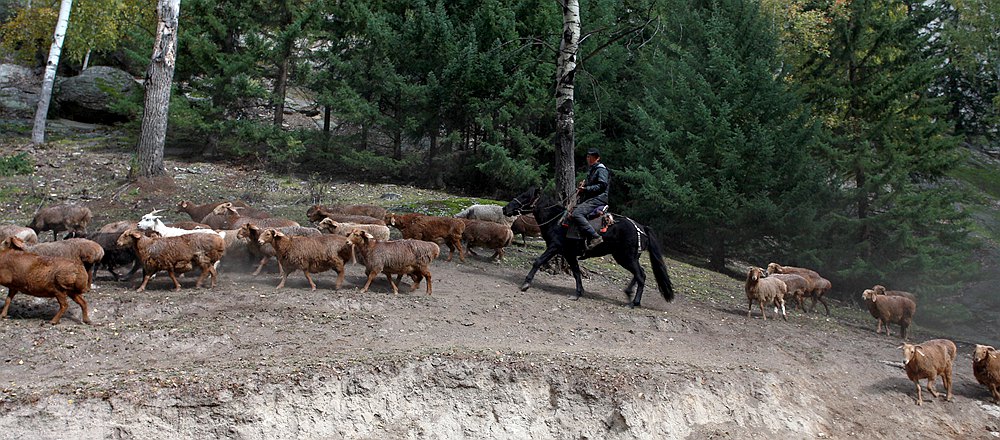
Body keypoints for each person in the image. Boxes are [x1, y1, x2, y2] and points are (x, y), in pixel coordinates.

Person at [572, 148, 610, 250]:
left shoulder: (601, 170)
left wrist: (585, 189)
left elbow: (602, 186)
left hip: (598, 198)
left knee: (577, 214)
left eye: (591, 157)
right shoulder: (593, 170)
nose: (589, 159)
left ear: (597, 158)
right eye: (588, 157)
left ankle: (595, 236)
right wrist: (583, 188)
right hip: (593, 198)